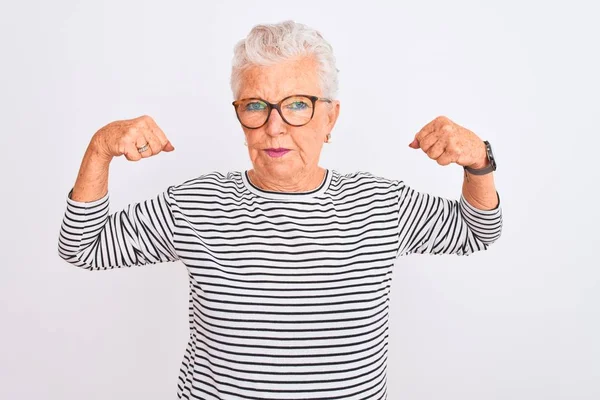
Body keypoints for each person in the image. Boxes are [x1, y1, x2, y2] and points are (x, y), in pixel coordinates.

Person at [58, 20, 502, 400]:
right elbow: (82, 247)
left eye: (296, 105)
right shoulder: (195, 205)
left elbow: (477, 231)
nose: (274, 127)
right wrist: (99, 149)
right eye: (255, 106)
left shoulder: (381, 204)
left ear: (330, 118)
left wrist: (479, 160)